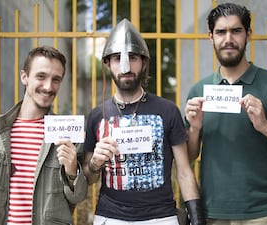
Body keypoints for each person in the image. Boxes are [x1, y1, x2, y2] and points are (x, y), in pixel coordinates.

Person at [185, 3, 267, 225]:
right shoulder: (199, 92)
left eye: (236, 31)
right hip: (213, 214)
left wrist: (266, 126)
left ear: (249, 35)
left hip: (264, 215)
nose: (228, 38)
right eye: (221, 32)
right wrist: (195, 128)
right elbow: (187, 157)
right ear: (211, 37)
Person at [82, 18, 205, 225]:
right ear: (107, 64)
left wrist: (196, 216)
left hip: (161, 217)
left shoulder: (167, 111)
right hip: (111, 217)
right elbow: (90, 177)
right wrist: (94, 163)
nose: (125, 66)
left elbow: (184, 171)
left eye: (132, 57)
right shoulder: (96, 116)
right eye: (117, 59)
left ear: (144, 62)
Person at [0, 46, 88, 225]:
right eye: (41, 76)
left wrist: (72, 170)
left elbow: (78, 197)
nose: (48, 86)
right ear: (24, 77)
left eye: (56, 80)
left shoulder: (66, 135)